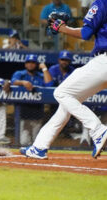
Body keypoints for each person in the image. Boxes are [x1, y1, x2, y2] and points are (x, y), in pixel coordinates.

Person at [21, 0, 107, 159]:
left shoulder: (101, 3)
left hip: (104, 62)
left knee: (61, 93)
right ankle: (39, 147)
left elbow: (86, 33)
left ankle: (98, 130)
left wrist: (62, 28)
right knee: (67, 105)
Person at [11, 54, 53, 146]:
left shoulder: (41, 75)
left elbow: (49, 84)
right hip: (23, 114)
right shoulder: (20, 74)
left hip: (37, 113)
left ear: (36, 64)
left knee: (37, 141)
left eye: (33, 62)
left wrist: (45, 68)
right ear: (25, 64)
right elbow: (13, 81)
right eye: (28, 62)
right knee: (24, 142)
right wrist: (23, 82)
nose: (30, 64)